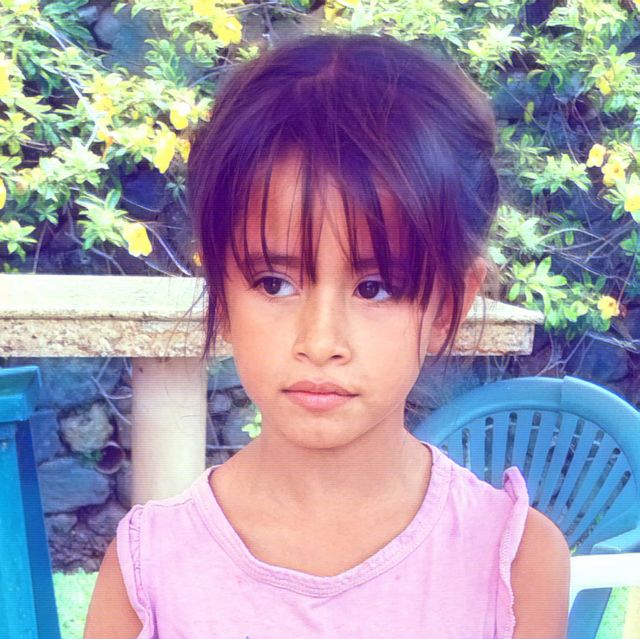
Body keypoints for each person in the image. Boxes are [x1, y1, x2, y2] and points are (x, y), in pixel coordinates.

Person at [84, 32, 570, 639]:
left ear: (449, 304)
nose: (320, 341)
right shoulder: (148, 571)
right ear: (222, 291)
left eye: (376, 288)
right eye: (274, 282)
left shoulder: (515, 565)